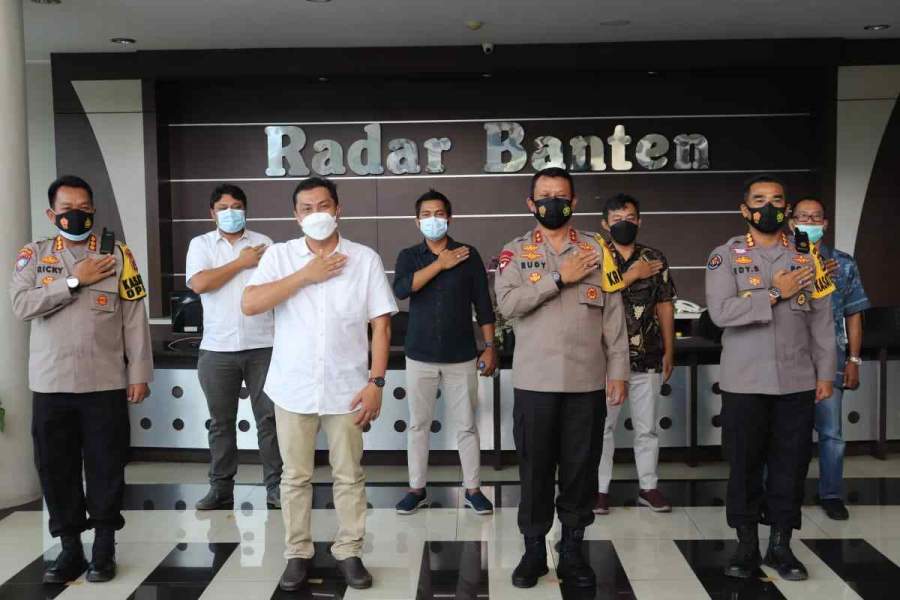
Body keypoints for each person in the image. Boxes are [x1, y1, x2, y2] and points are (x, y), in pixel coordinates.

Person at [242, 176, 397, 592]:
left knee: (350, 475)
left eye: (323, 206)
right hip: (293, 387)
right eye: (307, 208)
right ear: (296, 216)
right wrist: (305, 276)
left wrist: (376, 382)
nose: (316, 214)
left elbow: (381, 326)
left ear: (338, 209)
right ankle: (297, 553)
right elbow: (250, 303)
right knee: (295, 477)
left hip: (348, 388)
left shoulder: (364, 259)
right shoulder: (280, 256)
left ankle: (350, 551)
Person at [9, 175, 152, 583]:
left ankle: (104, 547)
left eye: (84, 208)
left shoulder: (117, 253)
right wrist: (74, 280)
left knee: (107, 466)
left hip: (104, 382)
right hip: (51, 384)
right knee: (56, 468)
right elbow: (21, 304)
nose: (76, 215)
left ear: (93, 209)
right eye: (67, 208)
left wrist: (139, 372)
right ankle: (70, 547)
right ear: (51, 213)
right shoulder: (34, 254)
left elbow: (134, 317)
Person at [494, 167, 629, 589]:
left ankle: (571, 549)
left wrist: (619, 370)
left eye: (561, 196)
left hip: (586, 383)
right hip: (535, 384)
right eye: (544, 196)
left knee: (580, 472)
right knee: (534, 472)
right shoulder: (515, 252)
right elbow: (507, 304)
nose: (553, 203)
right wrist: (557, 278)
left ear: (574, 202)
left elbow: (613, 314)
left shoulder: (597, 248)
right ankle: (534, 550)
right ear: (531, 204)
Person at [705, 175, 835, 582]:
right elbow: (721, 313)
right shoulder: (725, 256)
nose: (768, 207)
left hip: (796, 381)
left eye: (777, 200)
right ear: (745, 210)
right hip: (744, 382)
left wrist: (826, 373)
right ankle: (746, 545)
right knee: (744, 466)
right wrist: (775, 293)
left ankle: (781, 545)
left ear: (786, 209)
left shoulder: (806, 257)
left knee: (790, 468)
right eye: (759, 200)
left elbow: (822, 321)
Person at [392, 189, 497, 516]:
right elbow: (402, 289)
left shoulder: (468, 254)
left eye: (439, 214)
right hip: (419, 355)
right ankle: (416, 489)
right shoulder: (409, 256)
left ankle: (473, 490)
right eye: (426, 215)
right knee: (418, 425)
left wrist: (490, 347)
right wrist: (439, 264)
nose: (433, 220)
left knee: (466, 425)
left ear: (449, 218)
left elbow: (483, 304)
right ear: (417, 221)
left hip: (461, 355)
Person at [185, 183, 282, 510]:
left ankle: (276, 487)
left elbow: (276, 288)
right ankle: (221, 489)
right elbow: (200, 283)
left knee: (269, 420)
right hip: (217, 349)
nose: (230, 212)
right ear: (212, 213)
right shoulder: (200, 244)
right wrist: (241, 263)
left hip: (264, 346)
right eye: (223, 208)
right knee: (221, 423)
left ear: (246, 210)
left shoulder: (264, 243)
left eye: (237, 206)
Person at [789, 197, 870, 521]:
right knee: (783, 433)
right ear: (791, 223)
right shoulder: (780, 258)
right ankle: (778, 495)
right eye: (803, 217)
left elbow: (854, 314)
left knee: (832, 433)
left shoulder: (843, 263)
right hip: (788, 358)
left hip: (830, 357)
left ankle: (832, 494)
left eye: (815, 217)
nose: (809, 222)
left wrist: (854, 359)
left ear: (825, 224)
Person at [596, 193, 676, 514]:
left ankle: (649, 487)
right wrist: (632, 275)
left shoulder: (654, 257)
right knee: (603, 428)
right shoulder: (596, 255)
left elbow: (665, 305)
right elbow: (597, 295)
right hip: (605, 359)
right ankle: (599, 490)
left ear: (639, 221)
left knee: (647, 428)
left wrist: (670, 349)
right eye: (617, 220)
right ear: (605, 224)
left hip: (649, 354)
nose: (624, 224)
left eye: (629, 218)